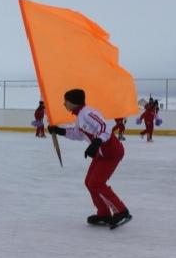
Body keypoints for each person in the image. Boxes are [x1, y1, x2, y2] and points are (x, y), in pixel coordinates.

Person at [47, 89, 132, 229]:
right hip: (101, 153)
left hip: (111, 151)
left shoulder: (87, 112)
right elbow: (77, 134)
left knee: (96, 183)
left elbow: (104, 127)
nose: (64, 104)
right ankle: (104, 213)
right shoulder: (80, 116)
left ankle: (121, 211)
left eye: (66, 101)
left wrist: (97, 142)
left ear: (73, 102)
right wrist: (59, 131)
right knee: (89, 182)